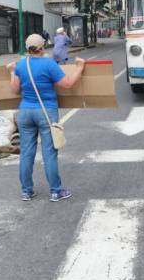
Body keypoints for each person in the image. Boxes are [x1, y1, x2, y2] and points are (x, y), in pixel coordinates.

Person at [7, 34, 85, 202]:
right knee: (49, 153)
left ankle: (26, 191)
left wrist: (13, 71)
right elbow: (68, 84)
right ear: (42, 48)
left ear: (27, 48)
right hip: (46, 112)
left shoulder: (21, 65)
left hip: (25, 112)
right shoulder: (49, 64)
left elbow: (14, 89)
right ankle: (56, 191)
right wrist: (79, 67)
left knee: (26, 152)